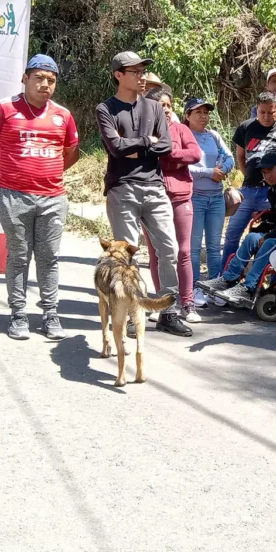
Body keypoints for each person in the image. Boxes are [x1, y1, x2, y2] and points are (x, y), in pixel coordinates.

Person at [0, 54, 80, 340]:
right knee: (19, 257)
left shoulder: (63, 115)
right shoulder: (2, 109)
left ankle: (50, 314)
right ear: (25, 79)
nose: (45, 85)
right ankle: (18, 314)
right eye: (39, 78)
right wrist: (7, 168)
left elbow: (72, 153)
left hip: (53, 198)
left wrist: (49, 172)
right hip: (14, 197)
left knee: (49, 258)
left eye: (51, 81)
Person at [95, 50, 192, 337]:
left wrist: (137, 145)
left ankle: (169, 310)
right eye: (135, 71)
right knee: (126, 256)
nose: (142, 76)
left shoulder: (153, 107)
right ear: (119, 75)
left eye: (143, 71)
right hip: (121, 187)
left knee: (169, 250)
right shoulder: (106, 109)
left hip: (154, 186)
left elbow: (165, 146)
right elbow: (115, 147)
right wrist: (144, 142)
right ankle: (130, 312)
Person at [200, 153, 276, 306]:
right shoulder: (274, 189)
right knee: (251, 238)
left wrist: (270, 235)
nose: (267, 176)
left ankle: (248, 288)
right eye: (264, 172)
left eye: (270, 171)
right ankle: (228, 278)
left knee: (268, 243)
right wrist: (264, 225)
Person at [225, 91, 276, 261]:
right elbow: (240, 155)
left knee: (267, 231)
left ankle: (258, 276)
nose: (266, 116)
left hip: (273, 192)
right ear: (256, 109)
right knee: (233, 232)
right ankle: (225, 274)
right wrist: (248, 175)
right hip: (248, 191)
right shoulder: (246, 127)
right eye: (262, 112)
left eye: (271, 112)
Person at [149, 84, 202, 323]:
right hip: (151, 197)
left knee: (184, 251)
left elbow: (195, 154)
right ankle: (163, 304)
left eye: (169, 105)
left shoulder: (181, 129)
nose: (167, 110)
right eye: (162, 106)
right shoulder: (145, 131)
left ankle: (187, 304)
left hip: (181, 197)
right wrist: (174, 158)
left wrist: (168, 155)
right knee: (157, 252)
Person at [184, 97, 234, 308]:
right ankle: (195, 287)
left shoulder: (213, 136)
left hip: (216, 197)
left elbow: (229, 156)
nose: (204, 116)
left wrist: (222, 170)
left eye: (206, 112)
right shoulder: (184, 136)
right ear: (187, 115)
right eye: (198, 112)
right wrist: (209, 172)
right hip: (195, 196)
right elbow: (184, 166)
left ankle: (213, 287)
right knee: (194, 247)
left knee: (214, 246)